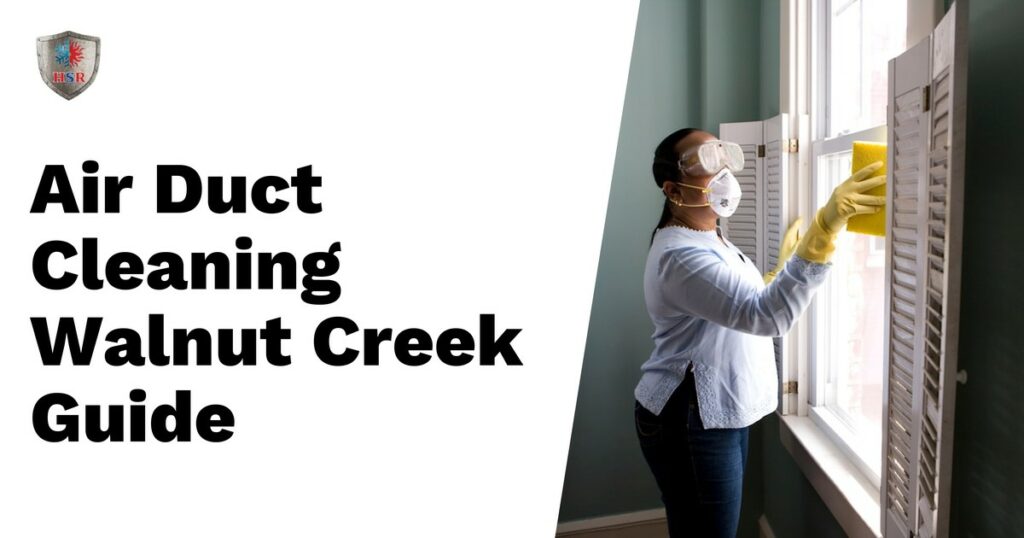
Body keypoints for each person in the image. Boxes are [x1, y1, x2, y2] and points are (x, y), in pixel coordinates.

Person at [633, 127, 885, 537]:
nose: (724, 171)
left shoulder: (708, 237)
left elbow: (733, 303)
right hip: (690, 416)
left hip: (712, 412)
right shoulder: (680, 254)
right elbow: (767, 317)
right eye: (706, 161)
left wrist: (779, 272)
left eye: (723, 155)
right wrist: (823, 232)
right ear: (673, 190)